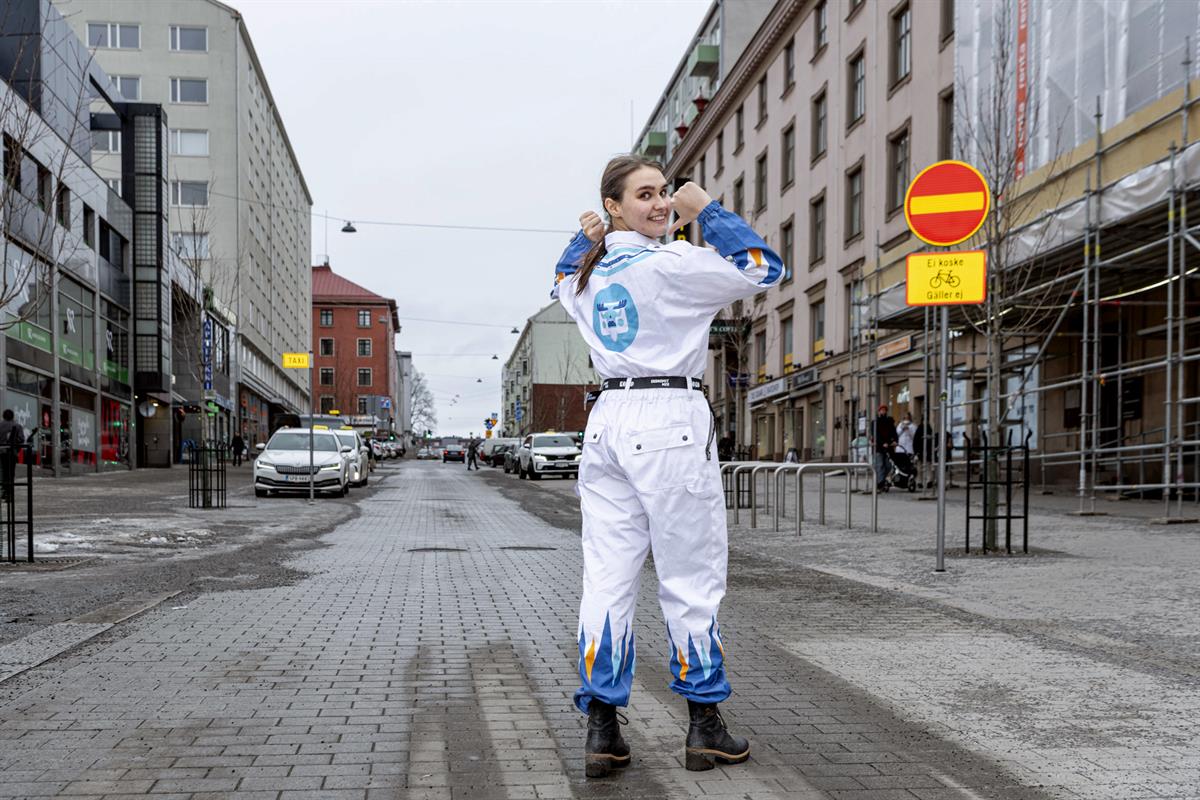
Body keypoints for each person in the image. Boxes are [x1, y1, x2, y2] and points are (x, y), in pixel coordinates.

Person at [553, 155, 784, 777]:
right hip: (669, 419)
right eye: (647, 195)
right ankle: (705, 723)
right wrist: (704, 210)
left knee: (606, 576)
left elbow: (559, 273)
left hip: (606, 424)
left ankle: (602, 728)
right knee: (689, 576)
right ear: (616, 204)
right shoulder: (676, 262)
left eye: (664, 194)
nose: (660, 204)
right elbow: (765, 268)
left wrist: (588, 236)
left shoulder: (590, 275)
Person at [0, 409, 25, 501]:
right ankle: (9, 493)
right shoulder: (17, 426)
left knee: (3, 472)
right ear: (12, 416)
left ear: (3, 416)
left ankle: (4, 491)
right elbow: (21, 439)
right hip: (12, 453)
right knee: (11, 473)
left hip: (2, 452)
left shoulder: (0, 425)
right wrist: (16, 448)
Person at [871, 404, 897, 490]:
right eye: (881, 410)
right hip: (879, 447)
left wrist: (895, 441)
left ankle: (881, 479)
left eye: (884, 410)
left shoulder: (889, 421)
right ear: (879, 411)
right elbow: (876, 435)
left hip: (889, 447)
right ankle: (880, 483)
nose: (883, 411)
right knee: (880, 465)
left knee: (888, 465)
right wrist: (882, 443)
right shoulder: (875, 422)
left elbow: (894, 432)